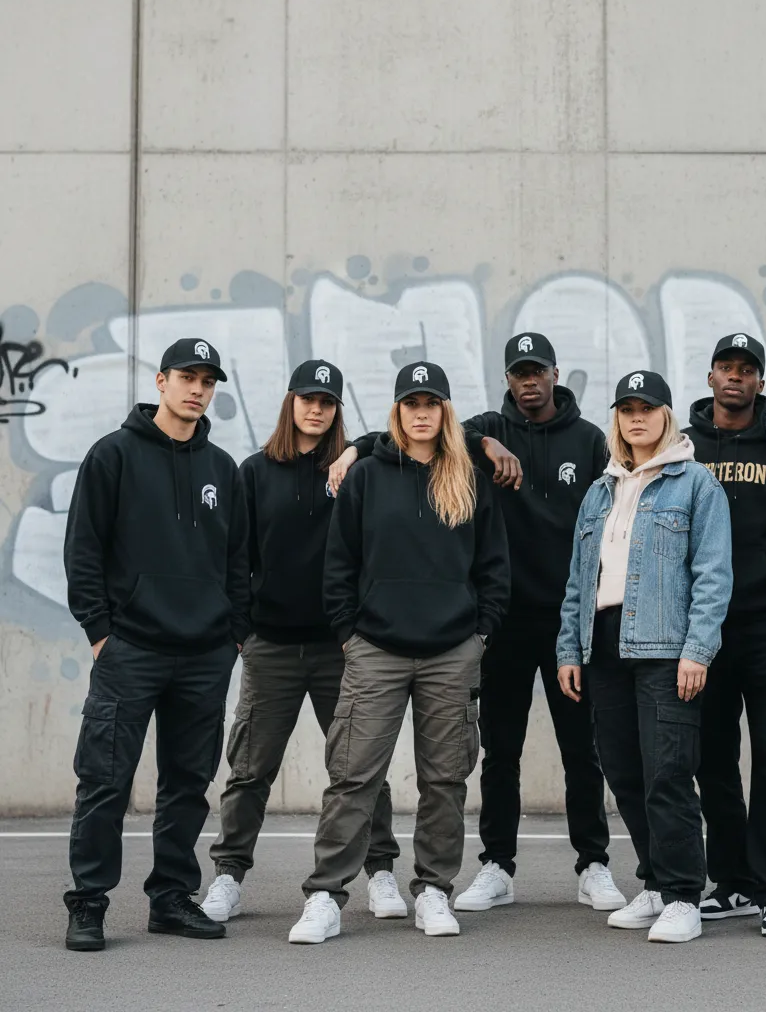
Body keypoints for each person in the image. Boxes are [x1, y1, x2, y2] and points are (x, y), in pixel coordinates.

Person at [331, 333, 624, 913]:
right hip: (503, 624)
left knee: (580, 750)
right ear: (507, 378)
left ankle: (593, 863)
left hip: (569, 622)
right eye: (519, 372)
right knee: (500, 752)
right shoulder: (486, 430)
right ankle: (497, 866)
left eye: (538, 370)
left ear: (555, 372)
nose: (529, 380)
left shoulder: (590, 440)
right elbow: (414, 429)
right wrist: (351, 452)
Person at [288, 362, 510, 944]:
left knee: (445, 780)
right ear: (397, 410)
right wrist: (350, 634)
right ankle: (325, 896)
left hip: (451, 652)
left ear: (445, 411)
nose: (421, 413)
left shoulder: (470, 478)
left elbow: (494, 567)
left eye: (431, 403)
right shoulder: (366, 476)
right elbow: (340, 564)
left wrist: (480, 636)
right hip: (376, 650)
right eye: (412, 403)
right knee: (352, 776)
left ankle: (434, 889)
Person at [200, 360, 403, 925]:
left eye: (327, 401)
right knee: (249, 769)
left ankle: (381, 871)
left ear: (338, 410)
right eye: (308, 399)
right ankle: (228, 876)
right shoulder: (253, 472)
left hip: (342, 650)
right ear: (290, 402)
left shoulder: (357, 471)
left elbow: (402, 437)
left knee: (360, 769)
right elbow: (234, 558)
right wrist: (242, 632)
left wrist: (354, 450)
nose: (316, 409)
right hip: (270, 646)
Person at [62, 338, 249, 952]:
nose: (198, 390)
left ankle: (171, 899)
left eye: (208, 381)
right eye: (187, 377)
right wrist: (100, 633)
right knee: (105, 781)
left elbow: (238, 560)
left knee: (187, 784)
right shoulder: (113, 455)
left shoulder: (222, 468)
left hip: (204, 654)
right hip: (131, 650)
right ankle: (89, 903)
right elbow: (84, 550)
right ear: (162, 381)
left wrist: (232, 634)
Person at [557, 370, 733, 944]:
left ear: (666, 416)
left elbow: (713, 575)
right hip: (604, 646)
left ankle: (684, 895)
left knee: (668, 774)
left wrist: (697, 651)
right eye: (627, 409)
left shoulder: (696, 485)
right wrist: (569, 648)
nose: (637, 418)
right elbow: (579, 581)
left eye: (647, 408)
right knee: (624, 772)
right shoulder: (599, 491)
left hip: (665, 647)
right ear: (617, 419)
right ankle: (656, 883)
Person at [684, 335, 766, 938]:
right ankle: (732, 881)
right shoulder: (684, 447)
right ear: (711, 376)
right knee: (713, 761)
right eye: (726, 367)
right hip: (704, 632)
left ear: (761, 381)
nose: (735, 377)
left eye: (747, 369)